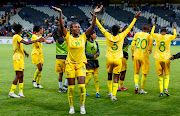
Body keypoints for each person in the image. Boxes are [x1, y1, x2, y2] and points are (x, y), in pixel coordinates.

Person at [52, 5, 101, 114]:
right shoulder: (68, 36)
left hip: (81, 64)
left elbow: (92, 27)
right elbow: (61, 25)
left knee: (82, 87)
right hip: (69, 64)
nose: (78, 28)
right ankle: (72, 107)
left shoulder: (83, 37)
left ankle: (82, 106)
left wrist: (95, 15)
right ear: (71, 29)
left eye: (79, 27)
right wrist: (60, 13)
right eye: (75, 27)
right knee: (71, 88)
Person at [96, 8, 141, 101]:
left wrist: (95, 17)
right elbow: (129, 28)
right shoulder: (121, 36)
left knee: (109, 75)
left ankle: (110, 92)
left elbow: (100, 27)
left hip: (109, 58)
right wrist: (135, 18)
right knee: (116, 76)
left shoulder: (108, 35)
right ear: (119, 30)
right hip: (118, 59)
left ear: (111, 30)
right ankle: (114, 96)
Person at [8, 24, 44, 98]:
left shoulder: (17, 37)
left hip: (20, 57)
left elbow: (19, 46)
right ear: (19, 30)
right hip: (17, 57)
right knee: (18, 75)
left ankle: (20, 92)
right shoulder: (17, 36)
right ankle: (11, 92)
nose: (22, 30)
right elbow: (26, 43)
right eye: (21, 29)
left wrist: (25, 52)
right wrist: (37, 40)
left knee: (21, 75)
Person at [151, 23, 177, 97]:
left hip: (158, 58)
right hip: (166, 58)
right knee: (167, 75)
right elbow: (175, 36)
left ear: (160, 32)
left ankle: (161, 92)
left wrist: (153, 26)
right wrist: (174, 29)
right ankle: (166, 88)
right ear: (166, 32)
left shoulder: (157, 36)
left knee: (160, 75)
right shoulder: (168, 37)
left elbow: (152, 33)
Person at [131, 24, 153, 94]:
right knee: (144, 73)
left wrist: (132, 53)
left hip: (136, 55)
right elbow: (150, 46)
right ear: (148, 29)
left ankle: (136, 84)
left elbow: (132, 45)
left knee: (136, 72)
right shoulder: (149, 36)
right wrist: (150, 50)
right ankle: (142, 89)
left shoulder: (137, 34)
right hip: (144, 56)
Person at [52, 25, 68, 93]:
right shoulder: (66, 38)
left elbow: (53, 33)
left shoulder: (57, 39)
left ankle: (60, 88)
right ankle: (65, 85)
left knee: (60, 74)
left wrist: (57, 29)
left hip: (58, 58)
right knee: (68, 73)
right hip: (66, 57)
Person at [85, 30, 100, 98]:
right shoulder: (86, 42)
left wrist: (97, 54)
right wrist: (92, 56)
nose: (96, 35)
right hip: (88, 61)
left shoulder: (95, 42)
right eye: (94, 34)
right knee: (89, 77)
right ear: (91, 35)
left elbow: (98, 51)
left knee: (96, 78)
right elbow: (84, 52)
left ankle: (97, 92)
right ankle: (83, 91)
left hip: (95, 62)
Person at [117, 26, 129, 91]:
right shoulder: (124, 39)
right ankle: (120, 86)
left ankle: (116, 85)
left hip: (117, 56)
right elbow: (122, 46)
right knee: (123, 72)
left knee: (117, 71)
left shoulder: (118, 38)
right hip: (123, 57)